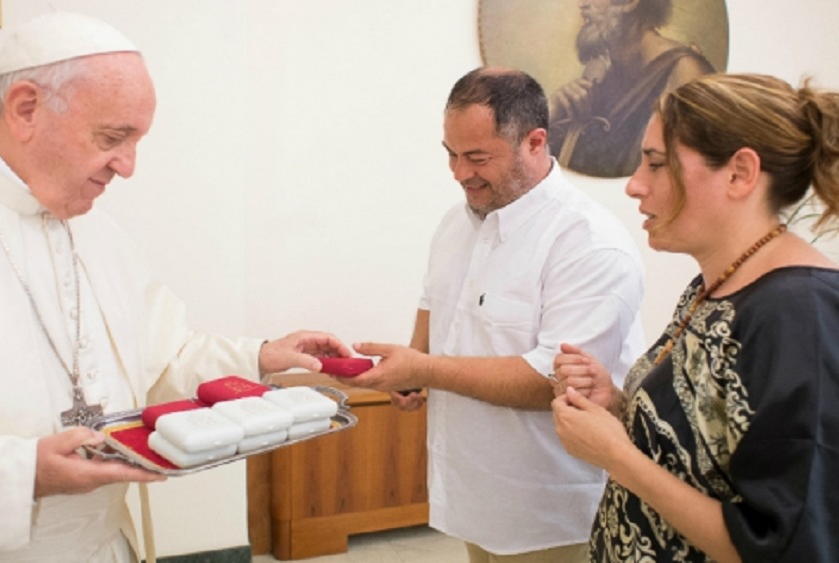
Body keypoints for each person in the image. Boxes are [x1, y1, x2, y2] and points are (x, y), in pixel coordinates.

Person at [0, 12, 350, 563]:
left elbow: (159, 362)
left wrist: (259, 356)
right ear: (26, 108)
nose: (128, 167)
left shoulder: (92, 226)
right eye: (113, 137)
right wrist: (24, 473)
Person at [341, 67, 646, 562]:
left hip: (552, 513)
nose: (460, 173)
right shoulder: (455, 223)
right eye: (451, 155)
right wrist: (409, 369)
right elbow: (433, 307)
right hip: (471, 497)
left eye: (477, 157)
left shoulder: (588, 242)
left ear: (534, 141)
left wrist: (424, 368)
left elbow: (555, 382)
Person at [551, 73, 839, 561]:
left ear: (739, 173)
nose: (635, 186)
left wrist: (616, 456)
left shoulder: (798, 313)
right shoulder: (718, 282)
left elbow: (783, 544)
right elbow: (702, 445)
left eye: (657, 164)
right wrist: (618, 406)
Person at [548, 0, 716, 178]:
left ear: (630, 3)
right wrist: (552, 111)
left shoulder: (684, 73)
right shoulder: (599, 73)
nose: (582, 4)